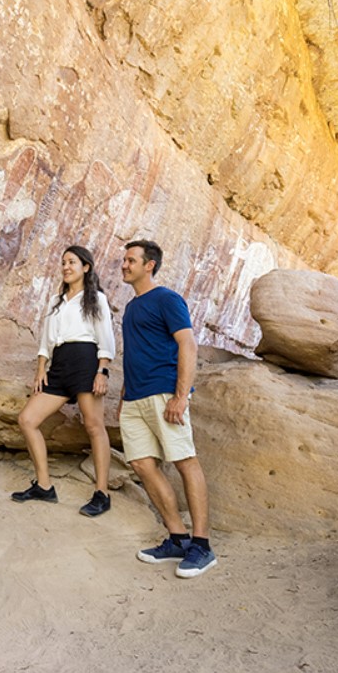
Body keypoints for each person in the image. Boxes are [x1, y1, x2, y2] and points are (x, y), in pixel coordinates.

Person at [118, 240, 216, 578]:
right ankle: (177, 538)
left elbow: (187, 342)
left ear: (150, 265)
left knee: (185, 461)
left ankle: (201, 546)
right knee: (142, 464)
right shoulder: (131, 308)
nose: (124, 265)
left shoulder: (167, 299)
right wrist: (123, 397)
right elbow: (134, 354)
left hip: (164, 393)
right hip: (134, 399)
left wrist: (181, 395)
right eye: (124, 259)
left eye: (131, 260)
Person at [10, 245, 115, 517]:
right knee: (27, 420)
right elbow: (46, 339)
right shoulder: (57, 301)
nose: (66, 267)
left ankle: (101, 493)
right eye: (63, 262)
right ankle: (44, 486)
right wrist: (41, 368)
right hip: (60, 363)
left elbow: (105, 337)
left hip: (86, 359)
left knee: (93, 426)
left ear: (86, 267)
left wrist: (102, 370)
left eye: (72, 262)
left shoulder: (96, 299)